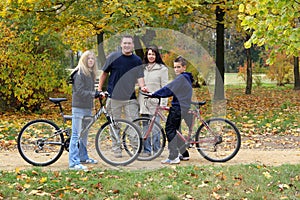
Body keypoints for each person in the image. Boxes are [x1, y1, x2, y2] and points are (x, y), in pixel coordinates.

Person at [97, 35, 148, 158]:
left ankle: (136, 150)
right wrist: (99, 89)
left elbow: (140, 76)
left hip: (130, 98)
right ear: (121, 44)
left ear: (133, 45)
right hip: (113, 97)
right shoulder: (113, 57)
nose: (127, 45)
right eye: (125, 43)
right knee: (114, 125)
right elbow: (104, 73)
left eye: (129, 43)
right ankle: (117, 149)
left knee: (134, 124)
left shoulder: (136, 60)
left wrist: (143, 87)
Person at [150, 56, 193, 164]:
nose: (176, 69)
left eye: (179, 67)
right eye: (174, 67)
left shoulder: (181, 78)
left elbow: (169, 88)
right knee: (176, 130)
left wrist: (155, 94)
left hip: (178, 107)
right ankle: (184, 153)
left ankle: (173, 157)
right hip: (183, 106)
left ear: (184, 67)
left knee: (170, 129)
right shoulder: (186, 77)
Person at [69, 50, 99, 171]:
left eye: (92, 58)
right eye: (88, 58)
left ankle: (83, 156)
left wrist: (97, 94)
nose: (90, 60)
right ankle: (73, 162)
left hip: (87, 107)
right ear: (84, 60)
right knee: (75, 134)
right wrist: (94, 94)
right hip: (78, 107)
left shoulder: (90, 74)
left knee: (84, 134)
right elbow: (79, 91)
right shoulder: (79, 73)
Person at [138, 45, 168, 156]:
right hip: (144, 101)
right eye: (149, 54)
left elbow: (165, 87)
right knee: (145, 126)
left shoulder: (162, 69)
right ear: (146, 55)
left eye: (153, 54)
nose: (151, 56)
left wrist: (164, 103)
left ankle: (156, 149)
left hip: (156, 102)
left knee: (155, 127)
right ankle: (147, 150)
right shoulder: (142, 68)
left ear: (157, 55)